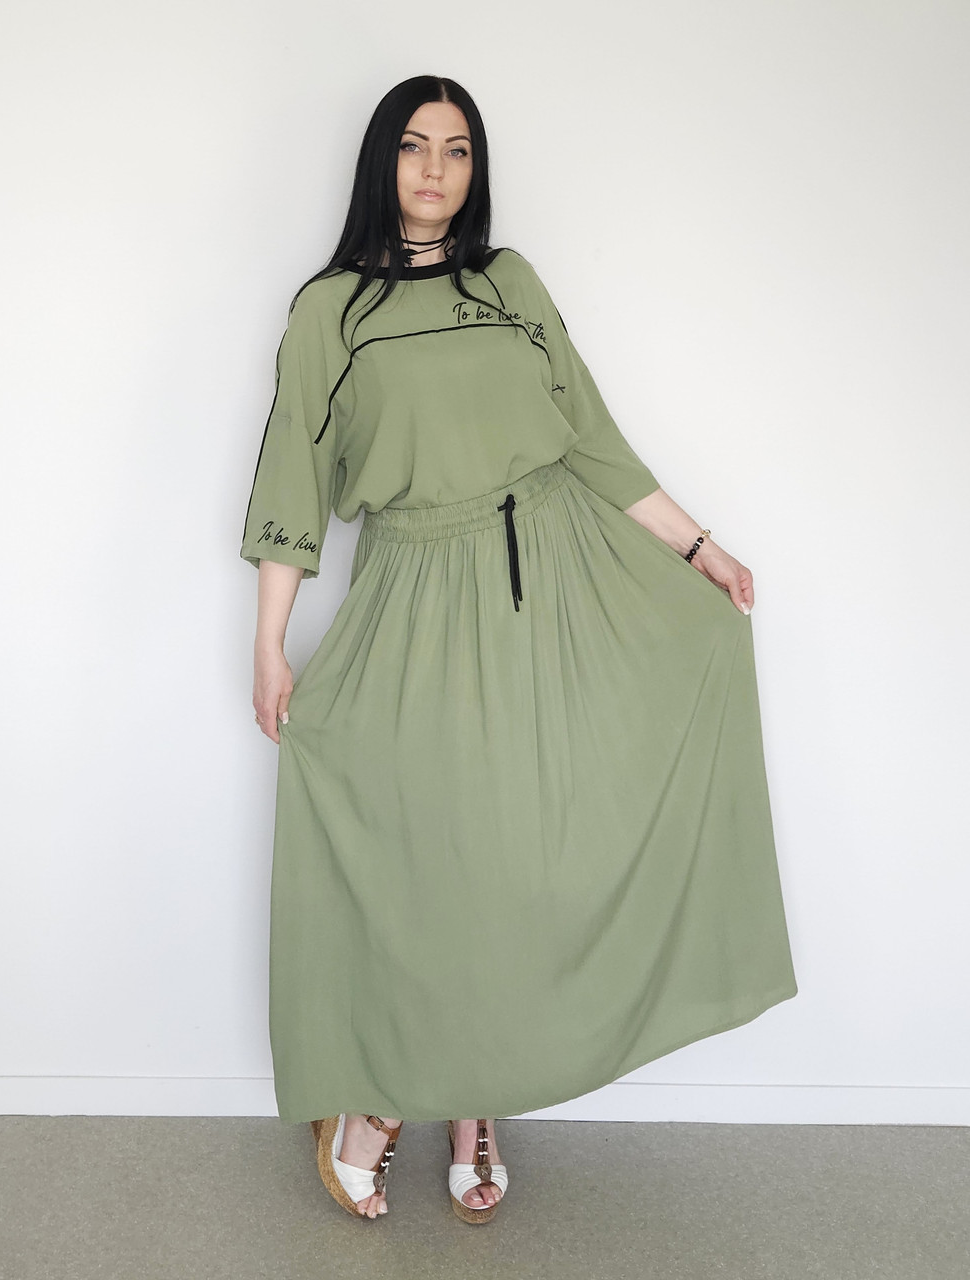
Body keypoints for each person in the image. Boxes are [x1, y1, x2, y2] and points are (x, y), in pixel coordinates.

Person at [241, 74, 798, 1225]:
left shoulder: (510, 284)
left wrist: (699, 547)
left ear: (475, 169)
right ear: (381, 161)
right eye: (414, 146)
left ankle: (475, 1104)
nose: (435, 170)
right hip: (413, 587)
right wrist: (270, 642)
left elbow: (588, 432)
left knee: (520, 857)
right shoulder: (330, 311)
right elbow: (295, 471)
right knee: (434, 852)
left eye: (457, 150)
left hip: (546, 574)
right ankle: (373, 1096)